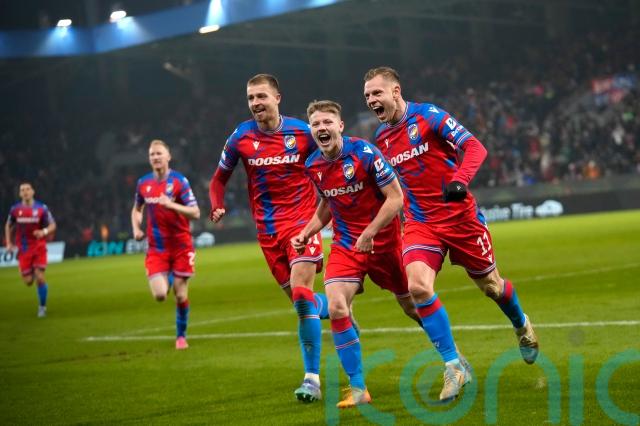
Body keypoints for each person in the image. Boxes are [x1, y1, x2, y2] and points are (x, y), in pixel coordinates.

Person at [363, 66, 539, 401]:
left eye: (377, 92)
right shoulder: (381, 138)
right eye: (367, 95)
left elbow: (475, 147)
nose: (371, 99)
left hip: (460, 218)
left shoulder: (428, 116)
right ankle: (454, 366)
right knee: (417, 287)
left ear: (396, 91)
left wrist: (460, 180)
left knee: (492, 287)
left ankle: (521, 324)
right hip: (420, 223)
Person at [292, 100, 439, 408]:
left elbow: (396, 198)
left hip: (384, 243)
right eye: (316, 124)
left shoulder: (365, 153)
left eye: (327, 122)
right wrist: (307, 231)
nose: (321, 128)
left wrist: (370, 232)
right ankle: (358, 388)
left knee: (413, 307)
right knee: (337, 306)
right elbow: (327, 203)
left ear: (340, 126)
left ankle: (452, 358)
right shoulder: (313, 165)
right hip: (347, 245)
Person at [209, 74, 328, 403]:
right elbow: (218, 179)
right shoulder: (240, 136)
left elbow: (332, 161)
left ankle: (312, 380)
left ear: (277, 98)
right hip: (267, 233)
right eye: (250, 98)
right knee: (304, 304)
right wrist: (216, 204)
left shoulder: (302, 133)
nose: (255, 103)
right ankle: (338, 306)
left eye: (261, 96)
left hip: (302, 226)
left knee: (302, 297)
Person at [131, 139, 200, 350]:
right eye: (152, 154)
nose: (155, 157)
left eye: (159, 153)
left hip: (181, 246)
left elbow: (195, 212)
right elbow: (136, 209)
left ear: (168, 156)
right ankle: (170, 275)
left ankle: (181, 337)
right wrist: (136, 228)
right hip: (157, 248)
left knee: (180, 294)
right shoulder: (143, 183)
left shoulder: (180, 181)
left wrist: (171, 205)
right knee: (160, 295)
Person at [5, 182, 56, 318]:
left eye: (28, 189)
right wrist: (9, 243)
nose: (25, 192)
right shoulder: (15, 210)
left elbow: (52, 225)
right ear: (20, 194)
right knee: (28, 281)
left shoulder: (42, 208)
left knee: (40, 277)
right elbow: (8, 225)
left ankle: (42, 307)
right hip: (24, 249)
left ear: (33, 191)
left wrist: (43, 231)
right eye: (22, 190)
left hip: (39, 247)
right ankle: (31, 270)